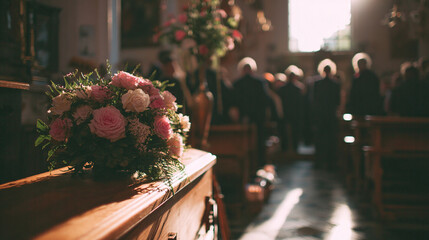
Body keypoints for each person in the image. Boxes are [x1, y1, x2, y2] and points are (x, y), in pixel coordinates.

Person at [232, 57, 270, 168]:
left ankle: (250, 165)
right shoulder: (259, 82)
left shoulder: (237, 83)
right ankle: (257, 164)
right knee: (256, 142)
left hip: (247, 118)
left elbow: (234, 101)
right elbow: (266, 101)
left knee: (252, 143)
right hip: (256, 118)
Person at [313, 60, 341, 169]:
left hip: (321, 116)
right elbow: (337, 101)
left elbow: (314, 101)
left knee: (320, 139)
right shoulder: (335, 85)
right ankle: (331, 162)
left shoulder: (317, 84)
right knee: (331, 139)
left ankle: (319, 161)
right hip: (330, 115)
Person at [277, 65, 305, 153]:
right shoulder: (298, 89)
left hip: (286, 112)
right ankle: (294, 147)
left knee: (286, 131)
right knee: (294, 131)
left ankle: (285, 147)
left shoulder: (282, 89)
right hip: (295, 113)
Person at [346, 53, 384, 117]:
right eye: (359, 64)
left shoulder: (372, 77)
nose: (360, 66)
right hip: (359, 108)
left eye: (362, 64)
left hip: (369, 107)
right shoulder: (356, 78)